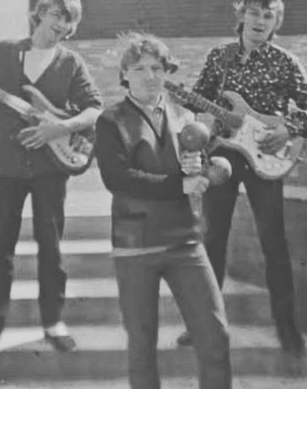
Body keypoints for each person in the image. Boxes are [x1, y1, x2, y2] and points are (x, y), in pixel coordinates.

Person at [177, 0, 307, 359]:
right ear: (241, 15)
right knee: (212, 241)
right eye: (254, 13)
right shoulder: (219, 58)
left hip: (265, 160)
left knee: (273, 243)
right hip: (223, 157)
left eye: (268, 15)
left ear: (275, 22)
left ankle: (288, 331)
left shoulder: (284, 61)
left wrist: (287, 129)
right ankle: (203, 325)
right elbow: (200, 104)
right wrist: (201, 117)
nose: (260, 21)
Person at [0, 0, 103, 361]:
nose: (62, 24)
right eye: (57, 14)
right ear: (40, 13)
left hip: (49, 169)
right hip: (7, 167)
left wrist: (58, 129)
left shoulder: (70, 63)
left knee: (51, 245)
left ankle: (54, 323)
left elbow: (94, 110)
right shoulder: (5, 52)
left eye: (69, 20)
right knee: (2, 248)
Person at [95, 33, 232, 389]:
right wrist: (179, 186)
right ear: (125, 74)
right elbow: (118, 179)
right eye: (139, 68)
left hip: (185, 240)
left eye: (157, 67)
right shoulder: (110, 121)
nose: (149, 75)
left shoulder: (185, 117)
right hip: (135, 245)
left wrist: (207, 168)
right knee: (142, 347)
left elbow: (197, 167)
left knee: (215, 337)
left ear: (166, 71)